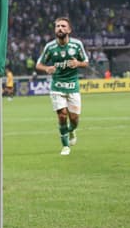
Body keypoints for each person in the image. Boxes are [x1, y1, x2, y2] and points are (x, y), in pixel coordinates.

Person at [35, 17, 89, 156]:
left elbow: (86, 62)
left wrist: (78, 63)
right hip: (57, 86)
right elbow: (38, 65)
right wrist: (46, 69)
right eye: (58, 26)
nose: (60, 28)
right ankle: (65, 146)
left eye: (63, 26)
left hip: (73, 87)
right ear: (55, 29)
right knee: (62, 116)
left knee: (74, 120)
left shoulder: (77, 45)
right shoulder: (50, 47)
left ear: (69, 30)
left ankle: (71, 130)